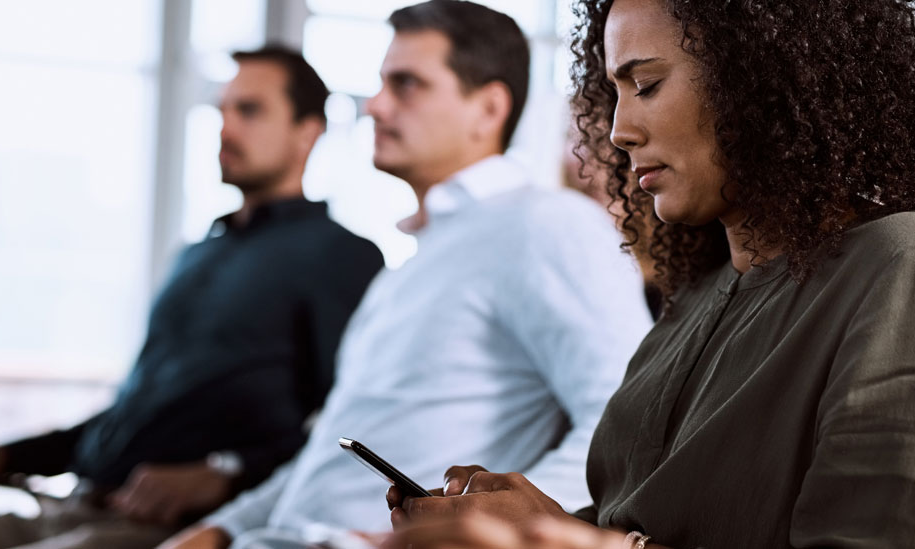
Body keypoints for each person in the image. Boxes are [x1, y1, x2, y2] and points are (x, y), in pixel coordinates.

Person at [382, 0, 915, 547]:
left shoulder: (903, 262)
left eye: (644, 84)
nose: (619, 131)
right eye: (614, 94)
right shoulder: (695, 300)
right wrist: (534, 523)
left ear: (763, 78)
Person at [161, 2, 652, 548]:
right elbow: (325, 457)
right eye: (379, 84)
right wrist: (220, 528)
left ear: (488, 109)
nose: (374, 105)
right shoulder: (411, 266)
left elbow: (624, 427)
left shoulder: (546, 224)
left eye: (406, 84)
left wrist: (479, 529)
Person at [0, 44, 384, 549]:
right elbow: (134, 414)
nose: (225, 128)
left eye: (249, 110)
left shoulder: (340, 256)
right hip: (72, 504)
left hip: (163, 530)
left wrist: (225, 470)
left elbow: (346, 425)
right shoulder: (198, 254)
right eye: (221, 110)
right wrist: (0, 458)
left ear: (307, 132)